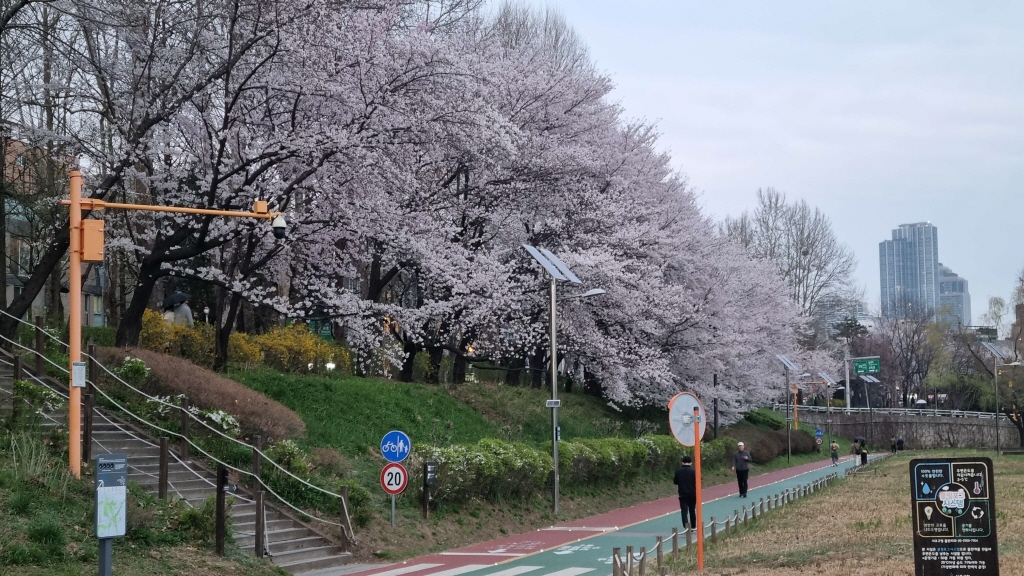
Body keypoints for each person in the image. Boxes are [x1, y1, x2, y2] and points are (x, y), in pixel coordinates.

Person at [673, 455, 697, 532]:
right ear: (691, 463)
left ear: (682, 462)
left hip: (682, 493)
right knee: (692, 510)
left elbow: (675, 482)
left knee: (684, 510)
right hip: (692, 493)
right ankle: (693, 526)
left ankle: (686, 526)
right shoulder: (693, 471)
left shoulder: (678, 471)